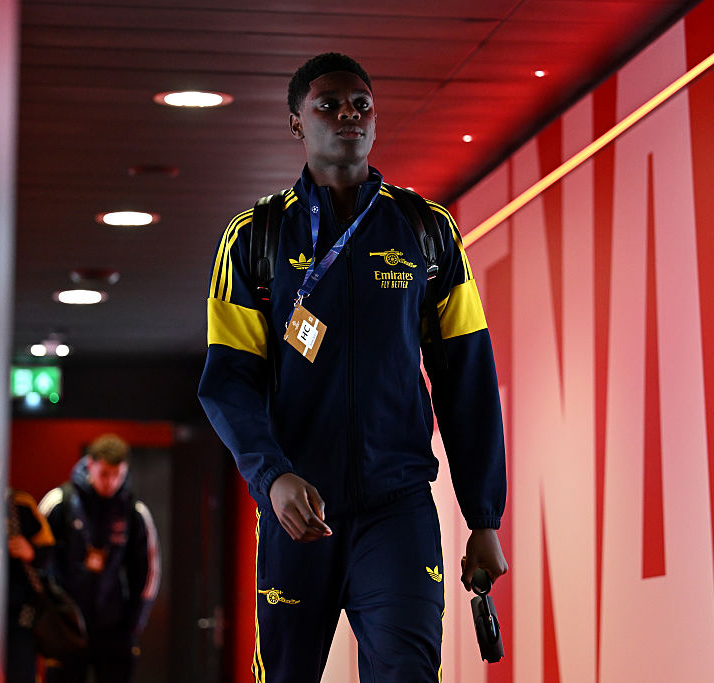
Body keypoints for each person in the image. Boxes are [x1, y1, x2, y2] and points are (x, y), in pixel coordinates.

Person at [198, 52, 508, 682]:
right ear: (296, 122)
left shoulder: (427, 229)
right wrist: (273, 476)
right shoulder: (255, 235)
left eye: (362, 104)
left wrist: (482, 518)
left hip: (397, 511)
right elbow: (229, 382)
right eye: (329, 104)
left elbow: (467, 379)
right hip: (296, 509)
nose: (349, 114)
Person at [39, 434, 161, 683]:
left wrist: (134, 624)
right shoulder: (59, 502)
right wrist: (49, 617)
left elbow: (148, 571)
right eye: (104, 474)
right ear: (90, 464)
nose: (111, 482)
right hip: (66, 627)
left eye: (118, 475)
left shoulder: (134, 512)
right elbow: (38, 563)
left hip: (114, 627)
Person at [5, 488, 56, 683]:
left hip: (19, 613)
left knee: (22, 674)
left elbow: (50, 555)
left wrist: (31, 552)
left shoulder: (19, 504)